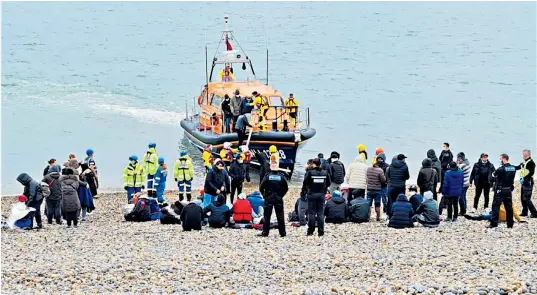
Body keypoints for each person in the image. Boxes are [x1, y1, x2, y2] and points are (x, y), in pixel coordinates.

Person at [259, 160, 289, 237]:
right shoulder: (281, 176)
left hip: (269, 197)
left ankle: (265, 232)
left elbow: (261, 187)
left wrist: (264, 196)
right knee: (280, 216)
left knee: (267, 216)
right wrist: (281, 195)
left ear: (270, 167)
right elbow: (286, 188)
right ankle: (282, 233)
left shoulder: (267, 176)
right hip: (278, 198)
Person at [301, 158, 330, 236]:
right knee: (320, 213)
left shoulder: (310, 173)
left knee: (312, 213)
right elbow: (329, 183)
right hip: (321, 195)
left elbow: (305, 182)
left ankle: (310, 231)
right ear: (320, 164)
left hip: (312, 195)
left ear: (313, 164)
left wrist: (308, 188)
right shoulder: (325, 172)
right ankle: (321, 231)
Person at [489, 154, 516, 228]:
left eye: (500, 159)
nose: (500, 160)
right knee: (509, 207)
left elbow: (493, 175)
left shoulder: (501, 169)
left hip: (500, 190)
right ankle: (510, 224)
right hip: (509, 189)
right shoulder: (513, 168)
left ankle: (494, 223)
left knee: (495, 206)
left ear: (504, 159)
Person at [514, 149, 537, 217]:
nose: (523, 155)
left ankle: (535, 213)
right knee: (522, 198)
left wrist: (524, 178)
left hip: (528, 182)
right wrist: (509, 166)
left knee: (527, 198)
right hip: (523, 182)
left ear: (527, 155)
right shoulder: (524, 162)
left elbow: (531, 173)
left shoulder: (531, 163)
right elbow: (518, 167)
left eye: (523, 154)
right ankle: (524, 212)